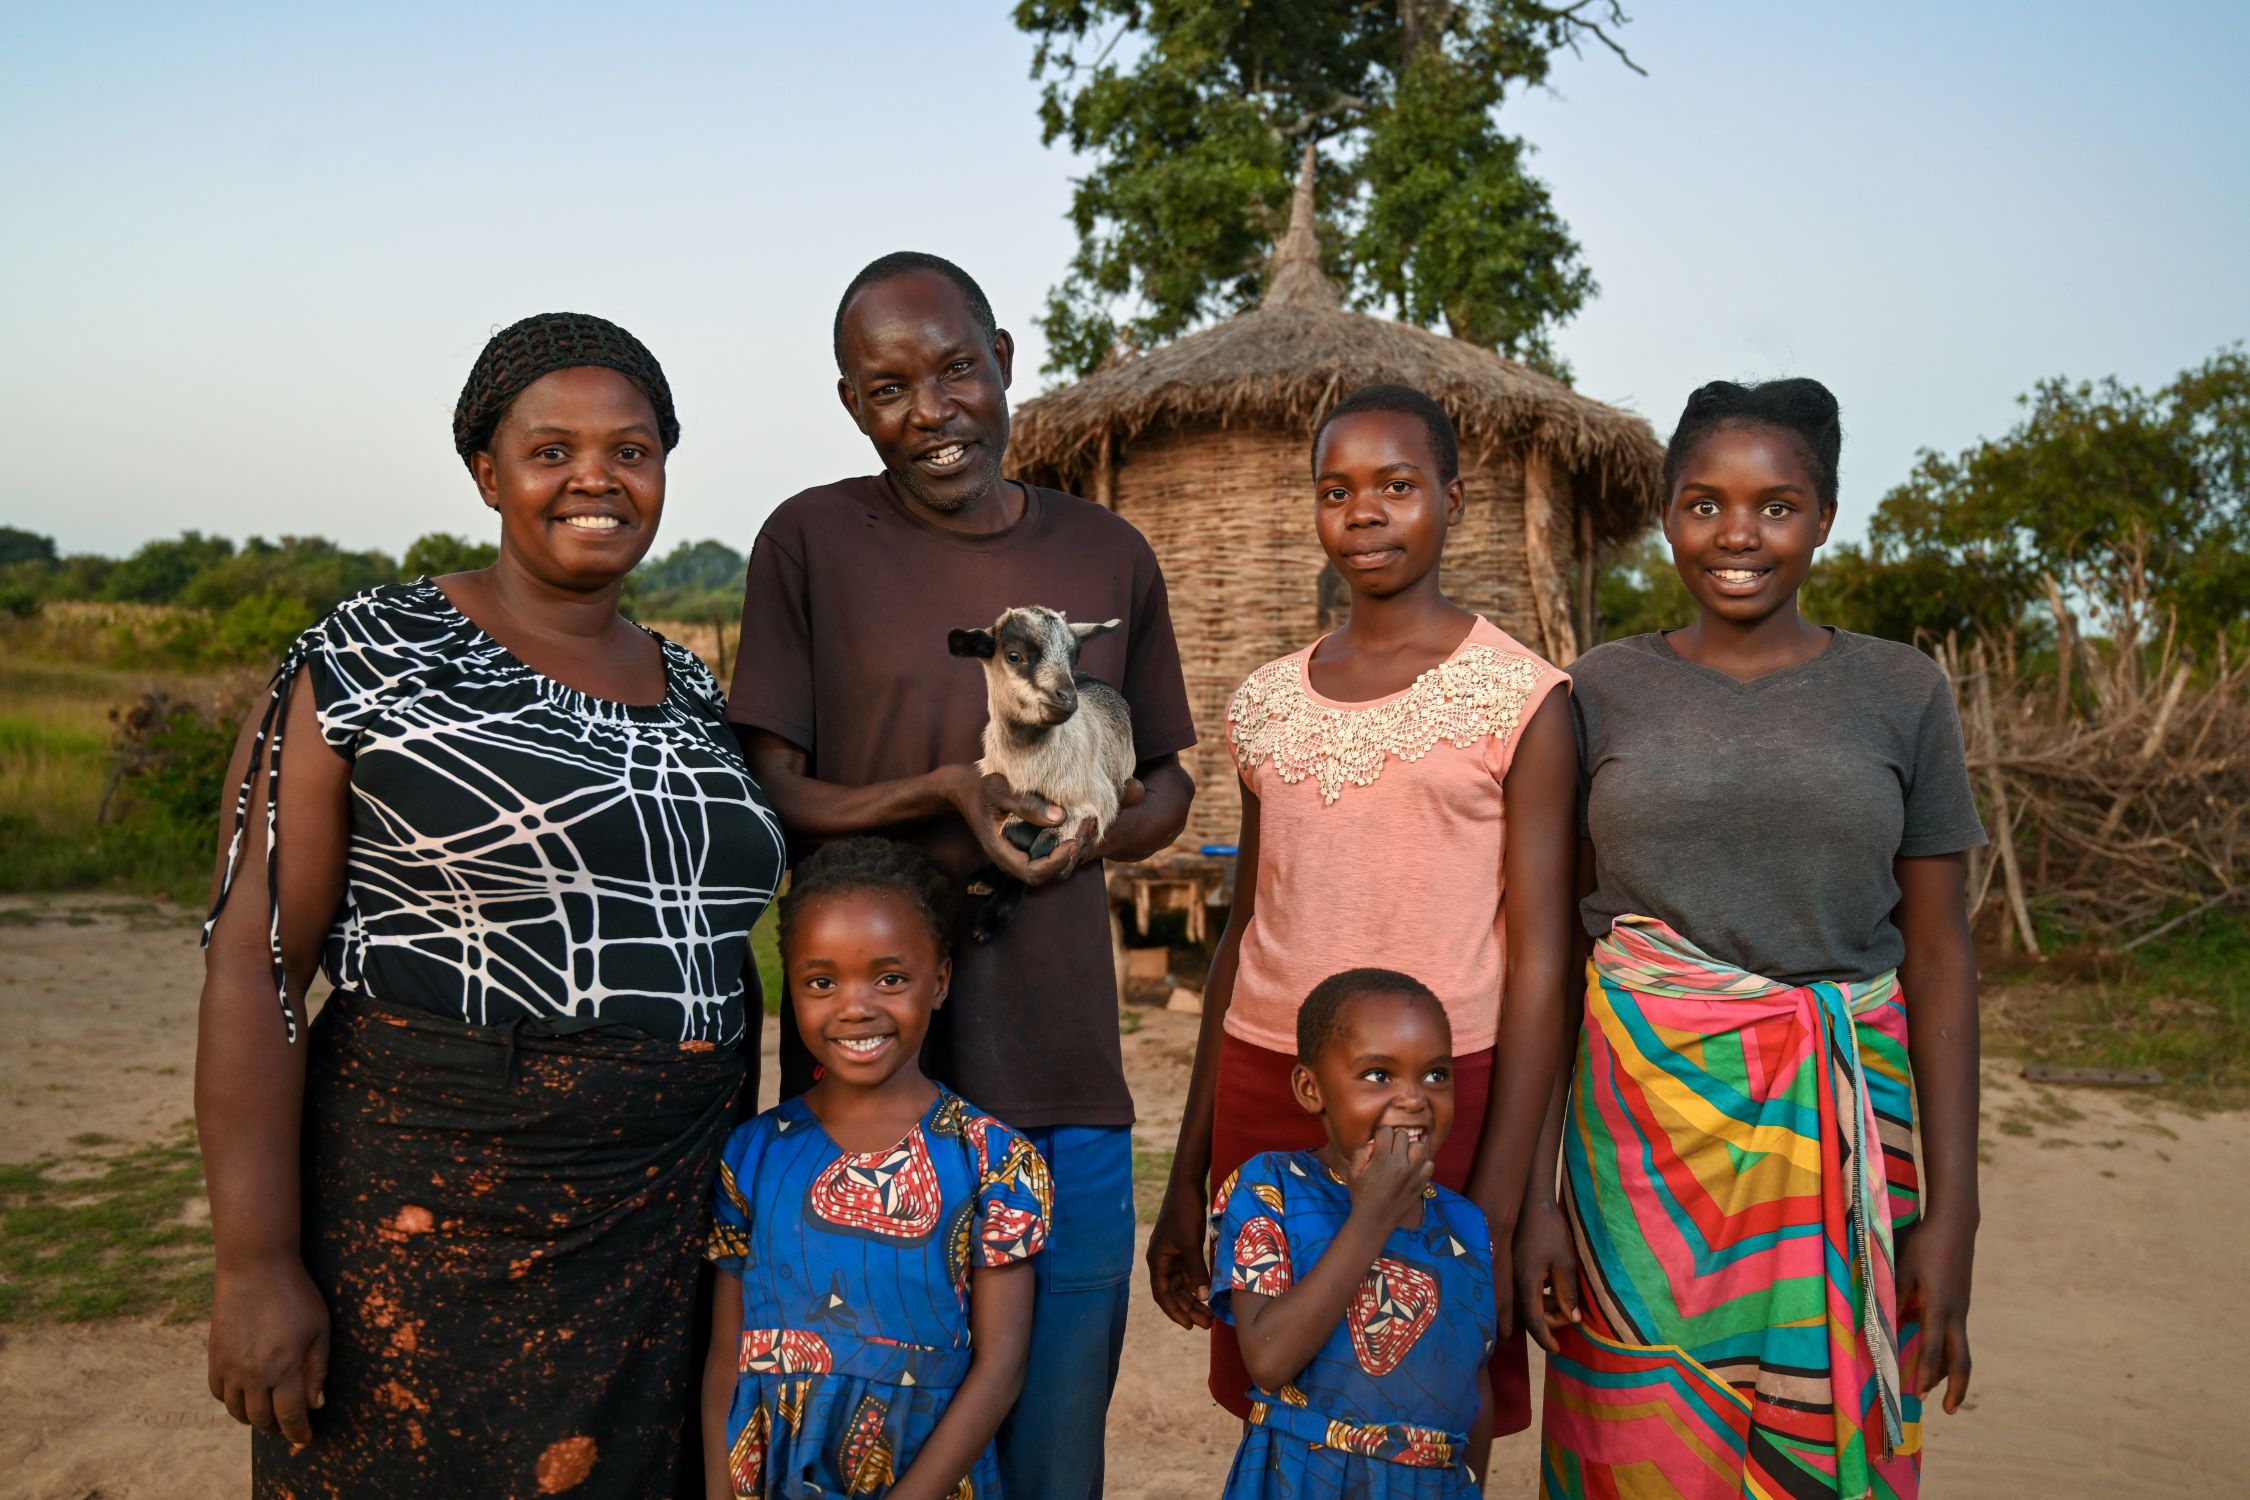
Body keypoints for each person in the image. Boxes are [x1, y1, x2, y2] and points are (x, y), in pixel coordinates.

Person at [196, 312, 786, 1498]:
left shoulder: (688, 686)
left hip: (663, 1239)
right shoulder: (371, 655)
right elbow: (256, 964)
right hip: (430, 1232)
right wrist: (254, 1263)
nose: (596, 479)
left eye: (632, 450)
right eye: (551, 449)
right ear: (486, 473)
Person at [730, 251, 1196, 1498]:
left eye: (955, 370)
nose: (929, 412)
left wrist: (1097, 827)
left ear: (1004, 357)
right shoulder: (812, 543)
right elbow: (772, 789)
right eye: (888, 389)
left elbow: (1170, 787)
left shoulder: (1106, 552)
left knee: (1050, 1450)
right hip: (865, 1080)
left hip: (1057, 1072)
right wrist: (945, 790)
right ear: (850, 404)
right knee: (862, 1440)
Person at [1518, 378, 1984, 1499]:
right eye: (1704, 503)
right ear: (1666, 516)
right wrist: (1534, 1197)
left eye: (1776, 506)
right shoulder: (1595, 692)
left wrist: (1954, 1213)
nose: (1738, 535)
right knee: (1636, 1447)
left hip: (1847, 1138)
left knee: (1827, 1456)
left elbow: (1939, 960)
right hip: (1637, 1160)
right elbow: (1550, 958)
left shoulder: (1901, 692)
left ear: (1824, 517)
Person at [1145, 384, 1576, 1440]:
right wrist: (1190, 1174)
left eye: (1397, 485)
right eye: (1336, 491)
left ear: (1455, 499)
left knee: (1438, 1397)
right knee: (1284, 1392)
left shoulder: (1522, 699)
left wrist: (1513, 1201)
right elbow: (1243, 942)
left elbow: (1541, 967)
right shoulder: (1266, 702)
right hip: (1269, 1078)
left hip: (1447, 1088)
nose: (1366, 512)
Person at [702, 838, 1048, 1499]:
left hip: (926, 1476)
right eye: (821, 982)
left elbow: (1000, 1369)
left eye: (890, 978)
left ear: (940, 980)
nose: (855, 1007)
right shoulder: (752, 1155)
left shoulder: (994, 1162)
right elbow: (727, 1359)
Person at [1210, 968, 1497, 1497]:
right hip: (1302, 1480)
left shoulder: (1465, 1225)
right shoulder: (1270, 1191)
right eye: (1378, 1075)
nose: (1414, 1099)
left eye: (1435, 1075)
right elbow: (1269, 1360)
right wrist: (1372, 1217)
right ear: (1310, 1087)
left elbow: (1472, 1383)